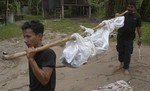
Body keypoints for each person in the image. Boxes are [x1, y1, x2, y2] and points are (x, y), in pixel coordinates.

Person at [21, 20, 56, 91]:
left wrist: (31, 59)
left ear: (39, 36)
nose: (25, 40)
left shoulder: (48, 53)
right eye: (24, 37)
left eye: (28, 36)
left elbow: (44, 80)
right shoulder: (31, 53)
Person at [116, 2, 142, 74]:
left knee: (128, 53)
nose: (129, 8)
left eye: (131, 7)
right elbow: (115, 21)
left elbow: (139, 28)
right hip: (120, 36)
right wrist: (116, 16)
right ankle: (121, 63)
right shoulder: (124, 14)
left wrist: (140, 37)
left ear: (135, 8)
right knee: (120, 50)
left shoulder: (137, 16)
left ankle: (126, 68)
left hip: (129, 38)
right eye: (128, 7)